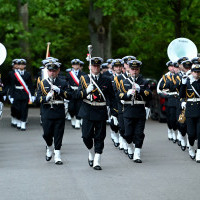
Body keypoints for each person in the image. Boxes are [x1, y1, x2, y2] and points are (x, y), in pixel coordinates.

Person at [76, 57, 118, 170]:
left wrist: (114, 113)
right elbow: (76, 95)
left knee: (100, 137)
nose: (96, 68)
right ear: (90, 67)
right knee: (86, 136)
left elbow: (112, 98)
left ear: (100, 67)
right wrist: (86, 91)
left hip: (100, 111)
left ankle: (97, 160)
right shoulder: (84, 79)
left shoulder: (106, 80)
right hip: (87, 111)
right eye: (93, 66)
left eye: (98, 66)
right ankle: (91, 152)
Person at [36, 61, 73, 165]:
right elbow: (37, 98)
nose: (52, 73)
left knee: (58, 134)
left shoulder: (63, 83)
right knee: (46, 134)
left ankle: (57, 155)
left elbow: (70, 96)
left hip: (59, 111)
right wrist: (45, 97)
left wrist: (60, 91)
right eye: (50, 71)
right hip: (47, 111)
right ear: (47, 71)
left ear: (58, 71)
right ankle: (49, 147)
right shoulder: (43, 83)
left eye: (54, 71)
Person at [119, 60, 152, 163]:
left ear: (139, 70)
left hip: (139, 110)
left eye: (136, 69)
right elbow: (119, 95)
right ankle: (129, 146)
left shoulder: (144, 82)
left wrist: (140, 90)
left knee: (139, 133)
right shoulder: (124, 82)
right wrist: (127, 94)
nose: (134, 71)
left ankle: (137, 153)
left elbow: (150, 95)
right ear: (129, 69)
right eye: (132, 69)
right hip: (128, 109)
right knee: (127, 134)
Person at [179, 60, 200, 162]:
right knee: (191, 134)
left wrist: (194, 82)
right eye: (195, 71)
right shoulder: (187, 82)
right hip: (190, 109)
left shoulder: (196, 82)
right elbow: (181, 95)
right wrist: (183, 84)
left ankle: (199, 152)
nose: (197, 73)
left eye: (198, 72)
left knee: (199, 133)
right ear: (192, 72)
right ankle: (191, 147)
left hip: (199, 108)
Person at [9, 59, 35, 130]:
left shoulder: (27, 74)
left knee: (24, 109)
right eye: (20, 64)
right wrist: (11, 95)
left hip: (25, 93)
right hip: (16, 93)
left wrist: (32, 95)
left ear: (25, 66)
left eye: (23, 65)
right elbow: (12, 85)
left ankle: (23, 122)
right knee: (17, 109)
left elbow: (30, 85)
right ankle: (18, 120)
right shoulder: (14, 74)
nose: (21, 66)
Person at [66, 59, 86, 129]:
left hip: (79, 92)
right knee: (71, 108)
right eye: (74, 65)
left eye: (77, 64)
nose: (76, 66)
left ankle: (78, 120)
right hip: (71, 92)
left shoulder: (83, 74)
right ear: (72, 65)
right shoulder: (69, 74)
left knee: (79, 107)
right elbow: (67, 83)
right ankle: (73, 117)